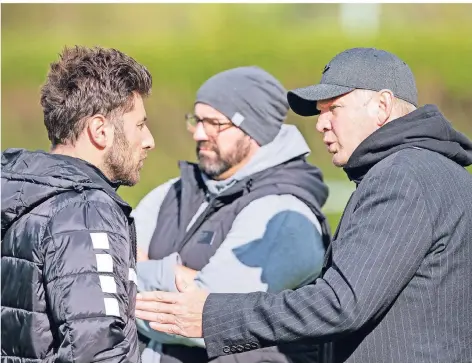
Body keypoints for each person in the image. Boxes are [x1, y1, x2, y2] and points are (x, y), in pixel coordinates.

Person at [135, 48, 472, 363]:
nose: (321, 124)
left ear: (382, 107)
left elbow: (340, 304)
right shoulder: (435, 171)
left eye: (333, 109)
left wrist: (211, 315)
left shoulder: (403, 176)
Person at [133, 66, 331, 363]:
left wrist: (142, 274)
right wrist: (173, 276)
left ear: (254, 130)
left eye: (214, 123)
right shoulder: (173, 191)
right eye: (197, 120)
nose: (199, 133)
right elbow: (107, 270)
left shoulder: (283, 214)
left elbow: (201, 322)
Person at [1, 45, 155, 363]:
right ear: (100, 130)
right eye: (140, 125)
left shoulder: (20, 193)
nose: (149, 140)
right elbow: (98, 350)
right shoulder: (85, 211)